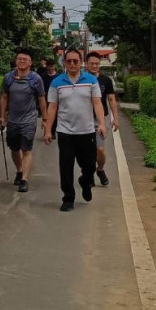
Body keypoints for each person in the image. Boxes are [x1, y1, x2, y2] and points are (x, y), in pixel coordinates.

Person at [43, 48, 105, 212]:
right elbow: (52, 107)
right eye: (69, 61)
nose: (72, 64)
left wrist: (102, 124)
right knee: (66, 166)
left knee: (90, 165)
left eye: (75, 61)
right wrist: (48, 129)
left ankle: (85, 182)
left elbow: (97, 103)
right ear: (64, 63)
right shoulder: (57, 82)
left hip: (87, 131)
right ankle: (68, 198)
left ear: (81, 63)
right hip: (65, 132)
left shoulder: (91, 80)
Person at [0, 48, 47, 193]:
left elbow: (41, 98)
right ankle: (19, 171)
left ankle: (24, 179)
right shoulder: (9, 77)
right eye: (19, 59)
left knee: (26, 149)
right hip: (13, 119)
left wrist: (45, 118)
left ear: (30, 63)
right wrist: (2, 116)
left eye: (24, 59)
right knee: (14, 149)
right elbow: (4, 96)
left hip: (29, 120)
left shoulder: (35, 79)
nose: (21, 61)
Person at [84, 52, 120, 186]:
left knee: (100, 149)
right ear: (86, 64)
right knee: (87, 151)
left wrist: (115, 118)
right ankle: (89, 174)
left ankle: (100, 169)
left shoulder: (105, 80)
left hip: (101, 119)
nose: (94, 66)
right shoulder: (81, 79)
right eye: (91, 63)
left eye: (96, 64)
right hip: (84, 119)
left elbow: (111, 99)